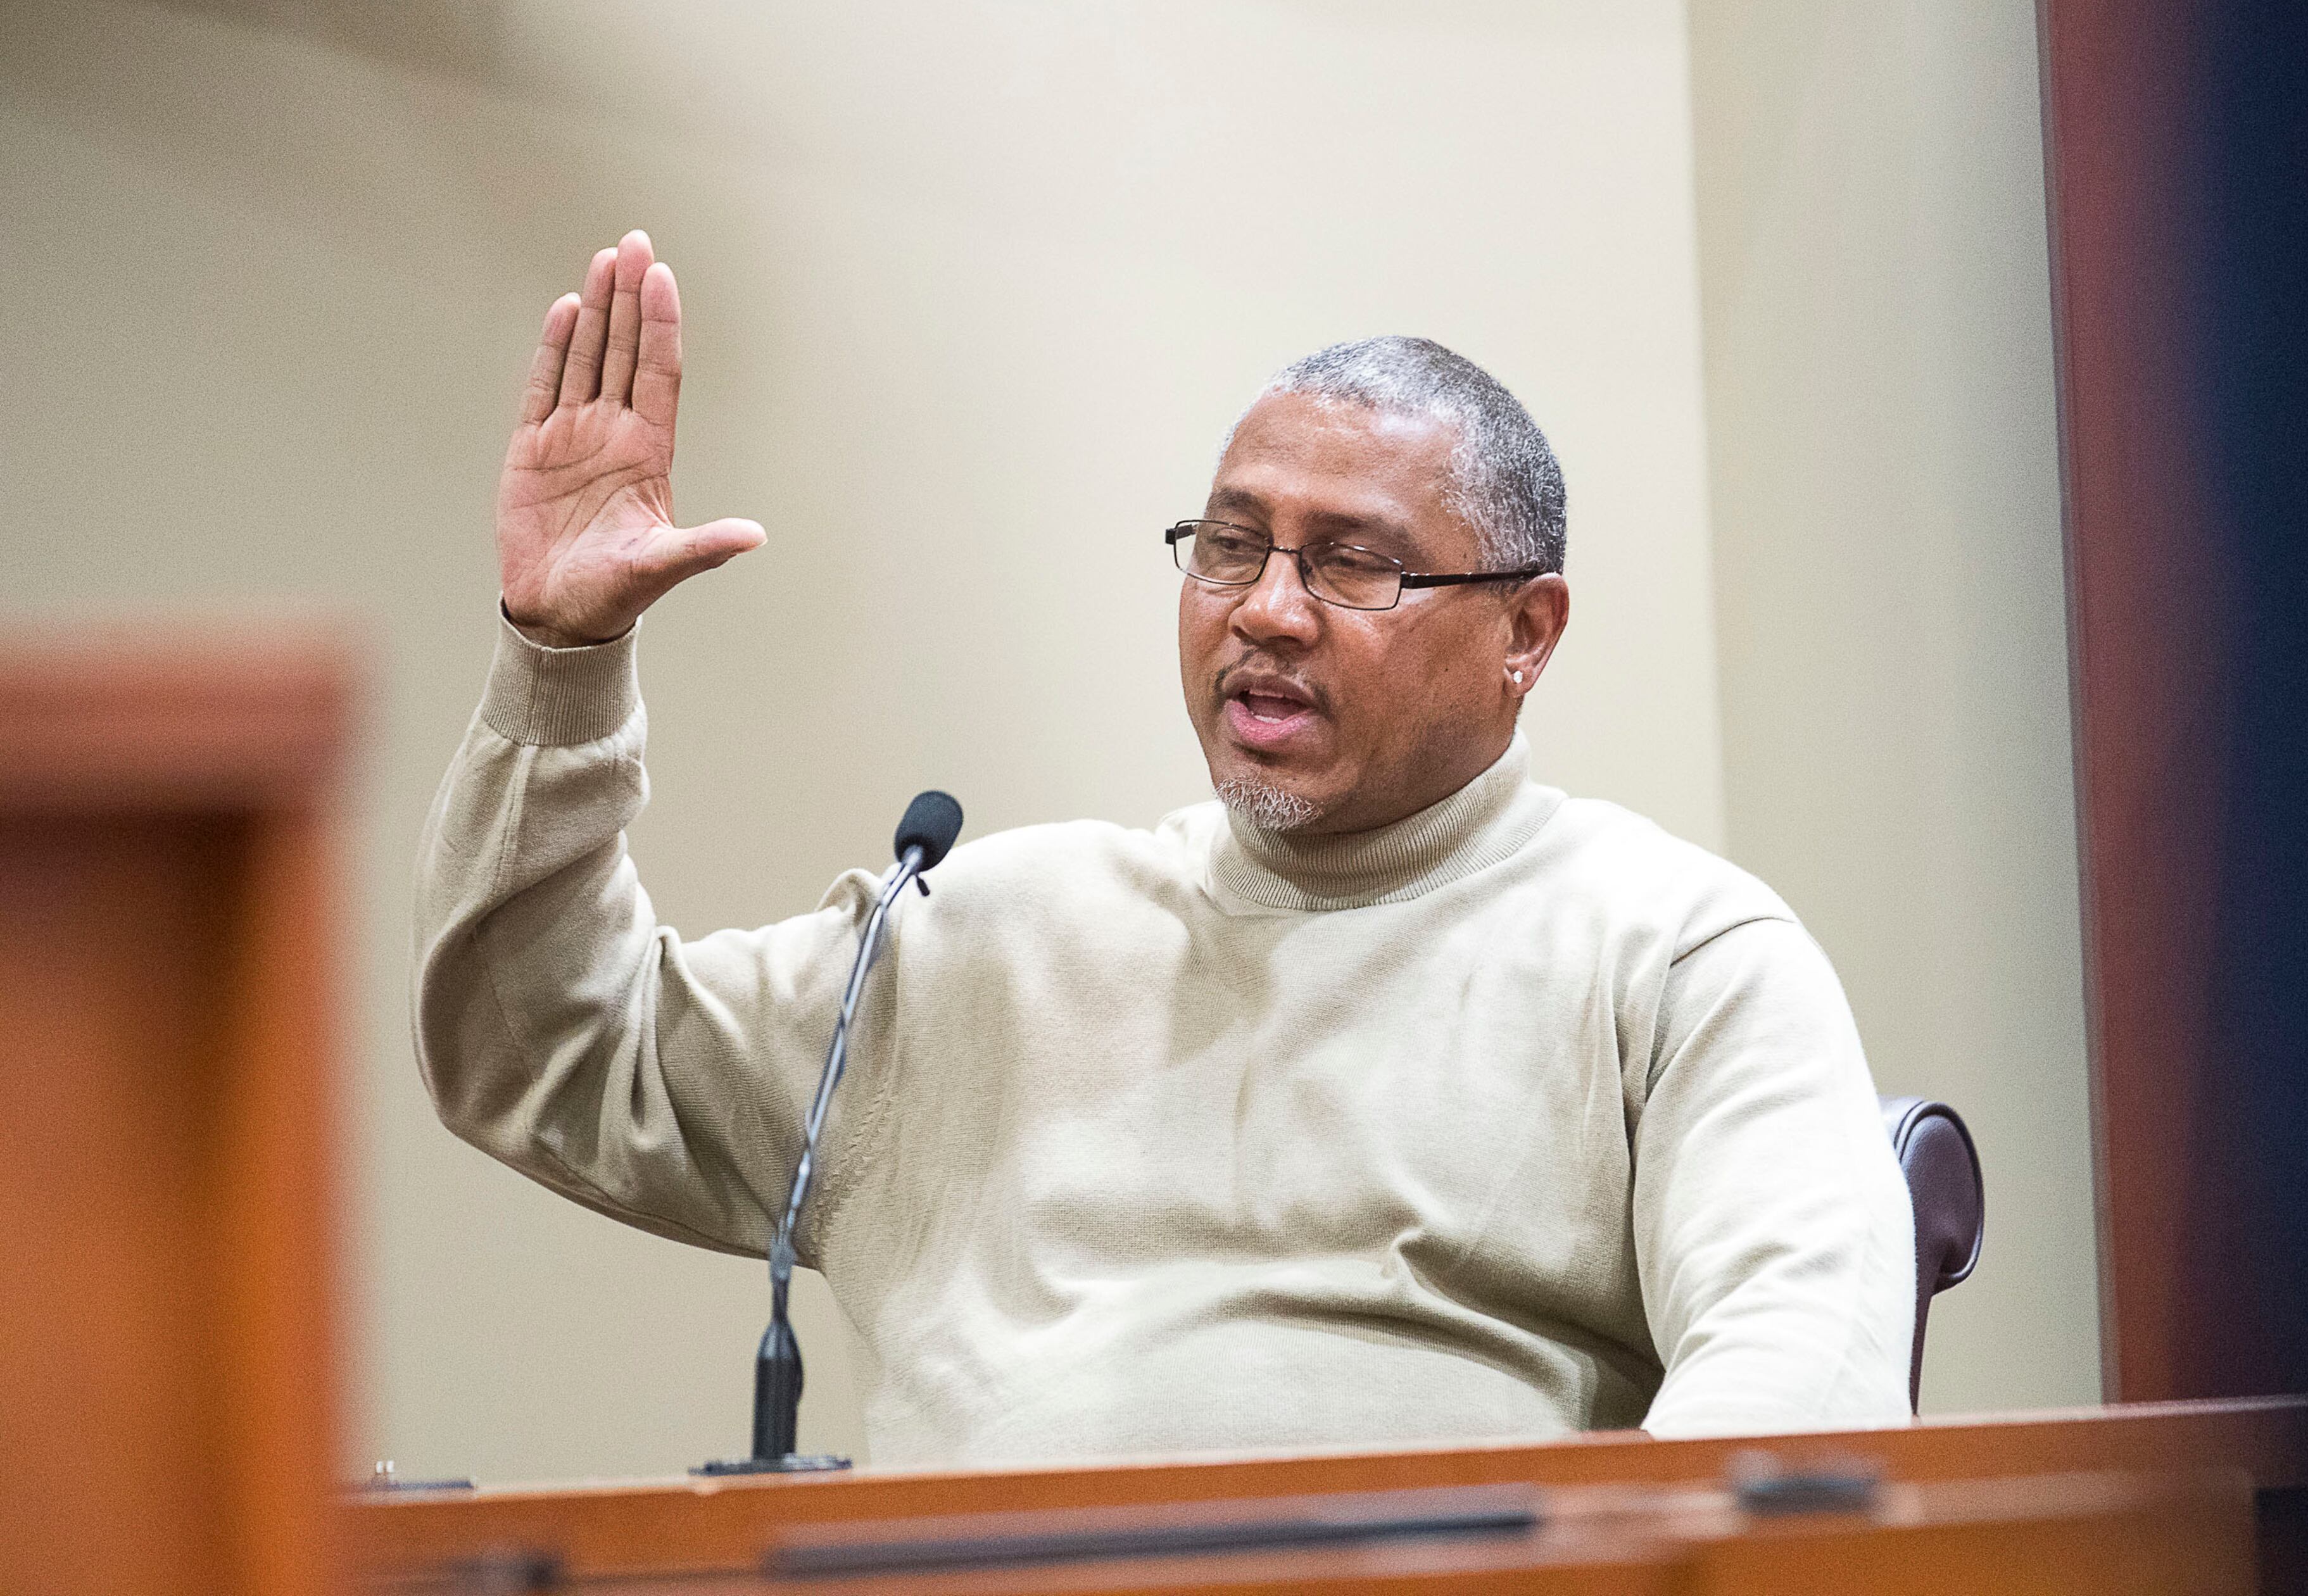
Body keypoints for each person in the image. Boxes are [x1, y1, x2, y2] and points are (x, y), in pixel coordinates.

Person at [413, 229, 1915, 1466]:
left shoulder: (1670, 951)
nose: (1266, 607)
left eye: (1353, 562)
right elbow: (546, 1050)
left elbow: (1797, 1394)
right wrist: (563, 655)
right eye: (1231, 543)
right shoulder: (979, 939)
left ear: (1527, 633)